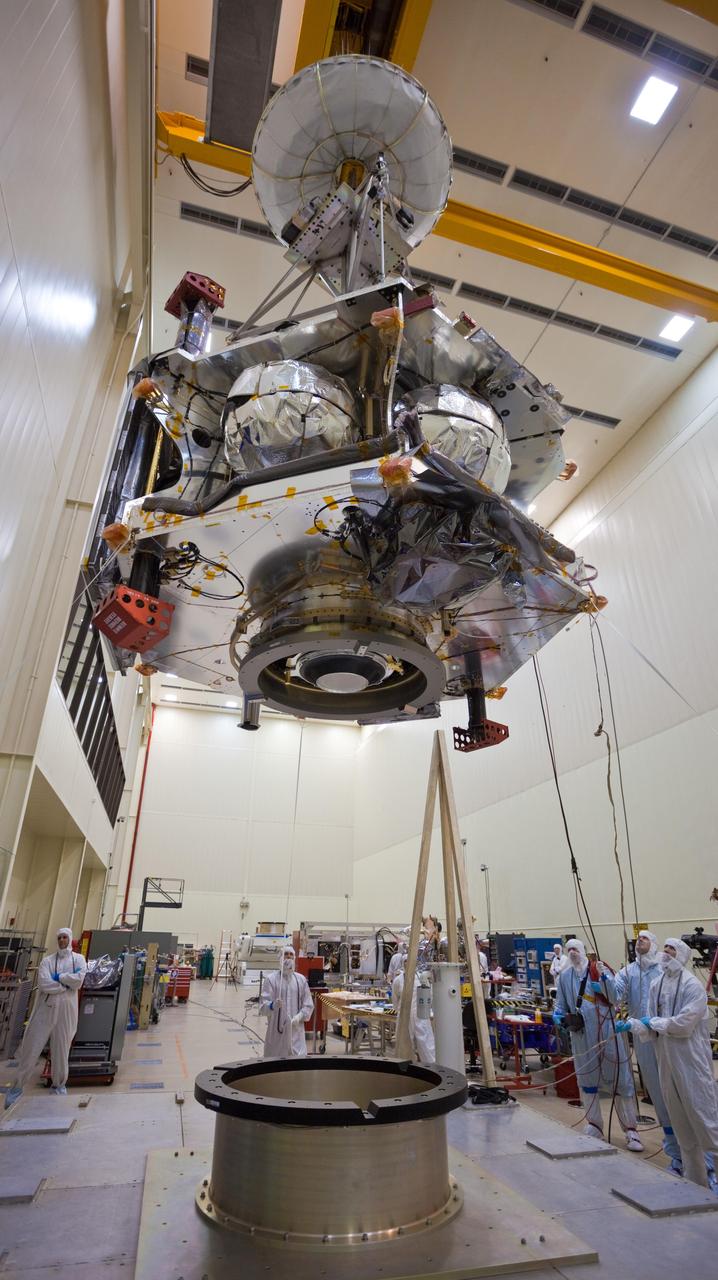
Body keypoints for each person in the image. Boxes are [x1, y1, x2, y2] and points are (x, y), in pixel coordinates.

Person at [614, 931, 716, 1183]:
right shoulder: (655, 985)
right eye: (666, 949)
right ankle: (695, 1179)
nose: (667, 953)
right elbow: (651, 1026)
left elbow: (683, 1025)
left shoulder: (693, 986)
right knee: (681, 1124)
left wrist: (654, 1022)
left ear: (681, 955)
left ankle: (714, 1174)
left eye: (672, 949)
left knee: (703, 1118)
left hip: (691, 1062)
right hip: (666, 1063)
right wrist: (635, 1025)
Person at [554, 938, 643, 1151]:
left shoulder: (598, 970)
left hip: (607, 1033)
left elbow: (615, 998)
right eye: (570, 950)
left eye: (576, 949)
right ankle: (594, 1125)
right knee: (587, 1081)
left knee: (620, 1081)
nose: (573, 952)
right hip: (582, 1036)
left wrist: (604, 980)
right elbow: (560, 1004)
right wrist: (558, 1017)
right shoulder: (565, 977)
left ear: (584, 951)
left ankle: (631, 1130)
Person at [4, 927, 87, 1109]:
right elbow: (44, 983)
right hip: (46, 1008)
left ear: (70, 939)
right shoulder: (47, 961)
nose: (62, 940)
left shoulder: (79, 959)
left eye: (65, 937)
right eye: (59, 938)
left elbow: (78, 981)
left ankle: (59, 1085)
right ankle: (17, 1088)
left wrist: (60, 978)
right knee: (32, 1047)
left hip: (66, 1010)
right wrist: (64, 985)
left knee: (61, 1049)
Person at [259, 944, 313, 1058]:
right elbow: (262, 1007)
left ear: (295, 958)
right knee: (275, 1063)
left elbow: (308, 1005)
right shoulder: (271, 979)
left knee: (296, 1064)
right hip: (276, 1032)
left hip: (296, 1032)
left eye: (291, 955)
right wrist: (272, 1005)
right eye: (285, 955)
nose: (288, 957)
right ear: (280, 958)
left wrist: (299, 1017)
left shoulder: (301, 980)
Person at [391, 953, 435, 1064]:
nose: (408, 963)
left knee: (425, 1041)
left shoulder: (421, 977)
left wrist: (428, 1009)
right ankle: (405, 1066)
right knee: (404, 1041)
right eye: (405, 961)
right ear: (403, 963)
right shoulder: (398, 980)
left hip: (419, 1012)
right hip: (404, 1014)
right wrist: (399, 1011)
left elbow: (429, 994)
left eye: (410, 961)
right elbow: (395, 999)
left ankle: (431, 1065)